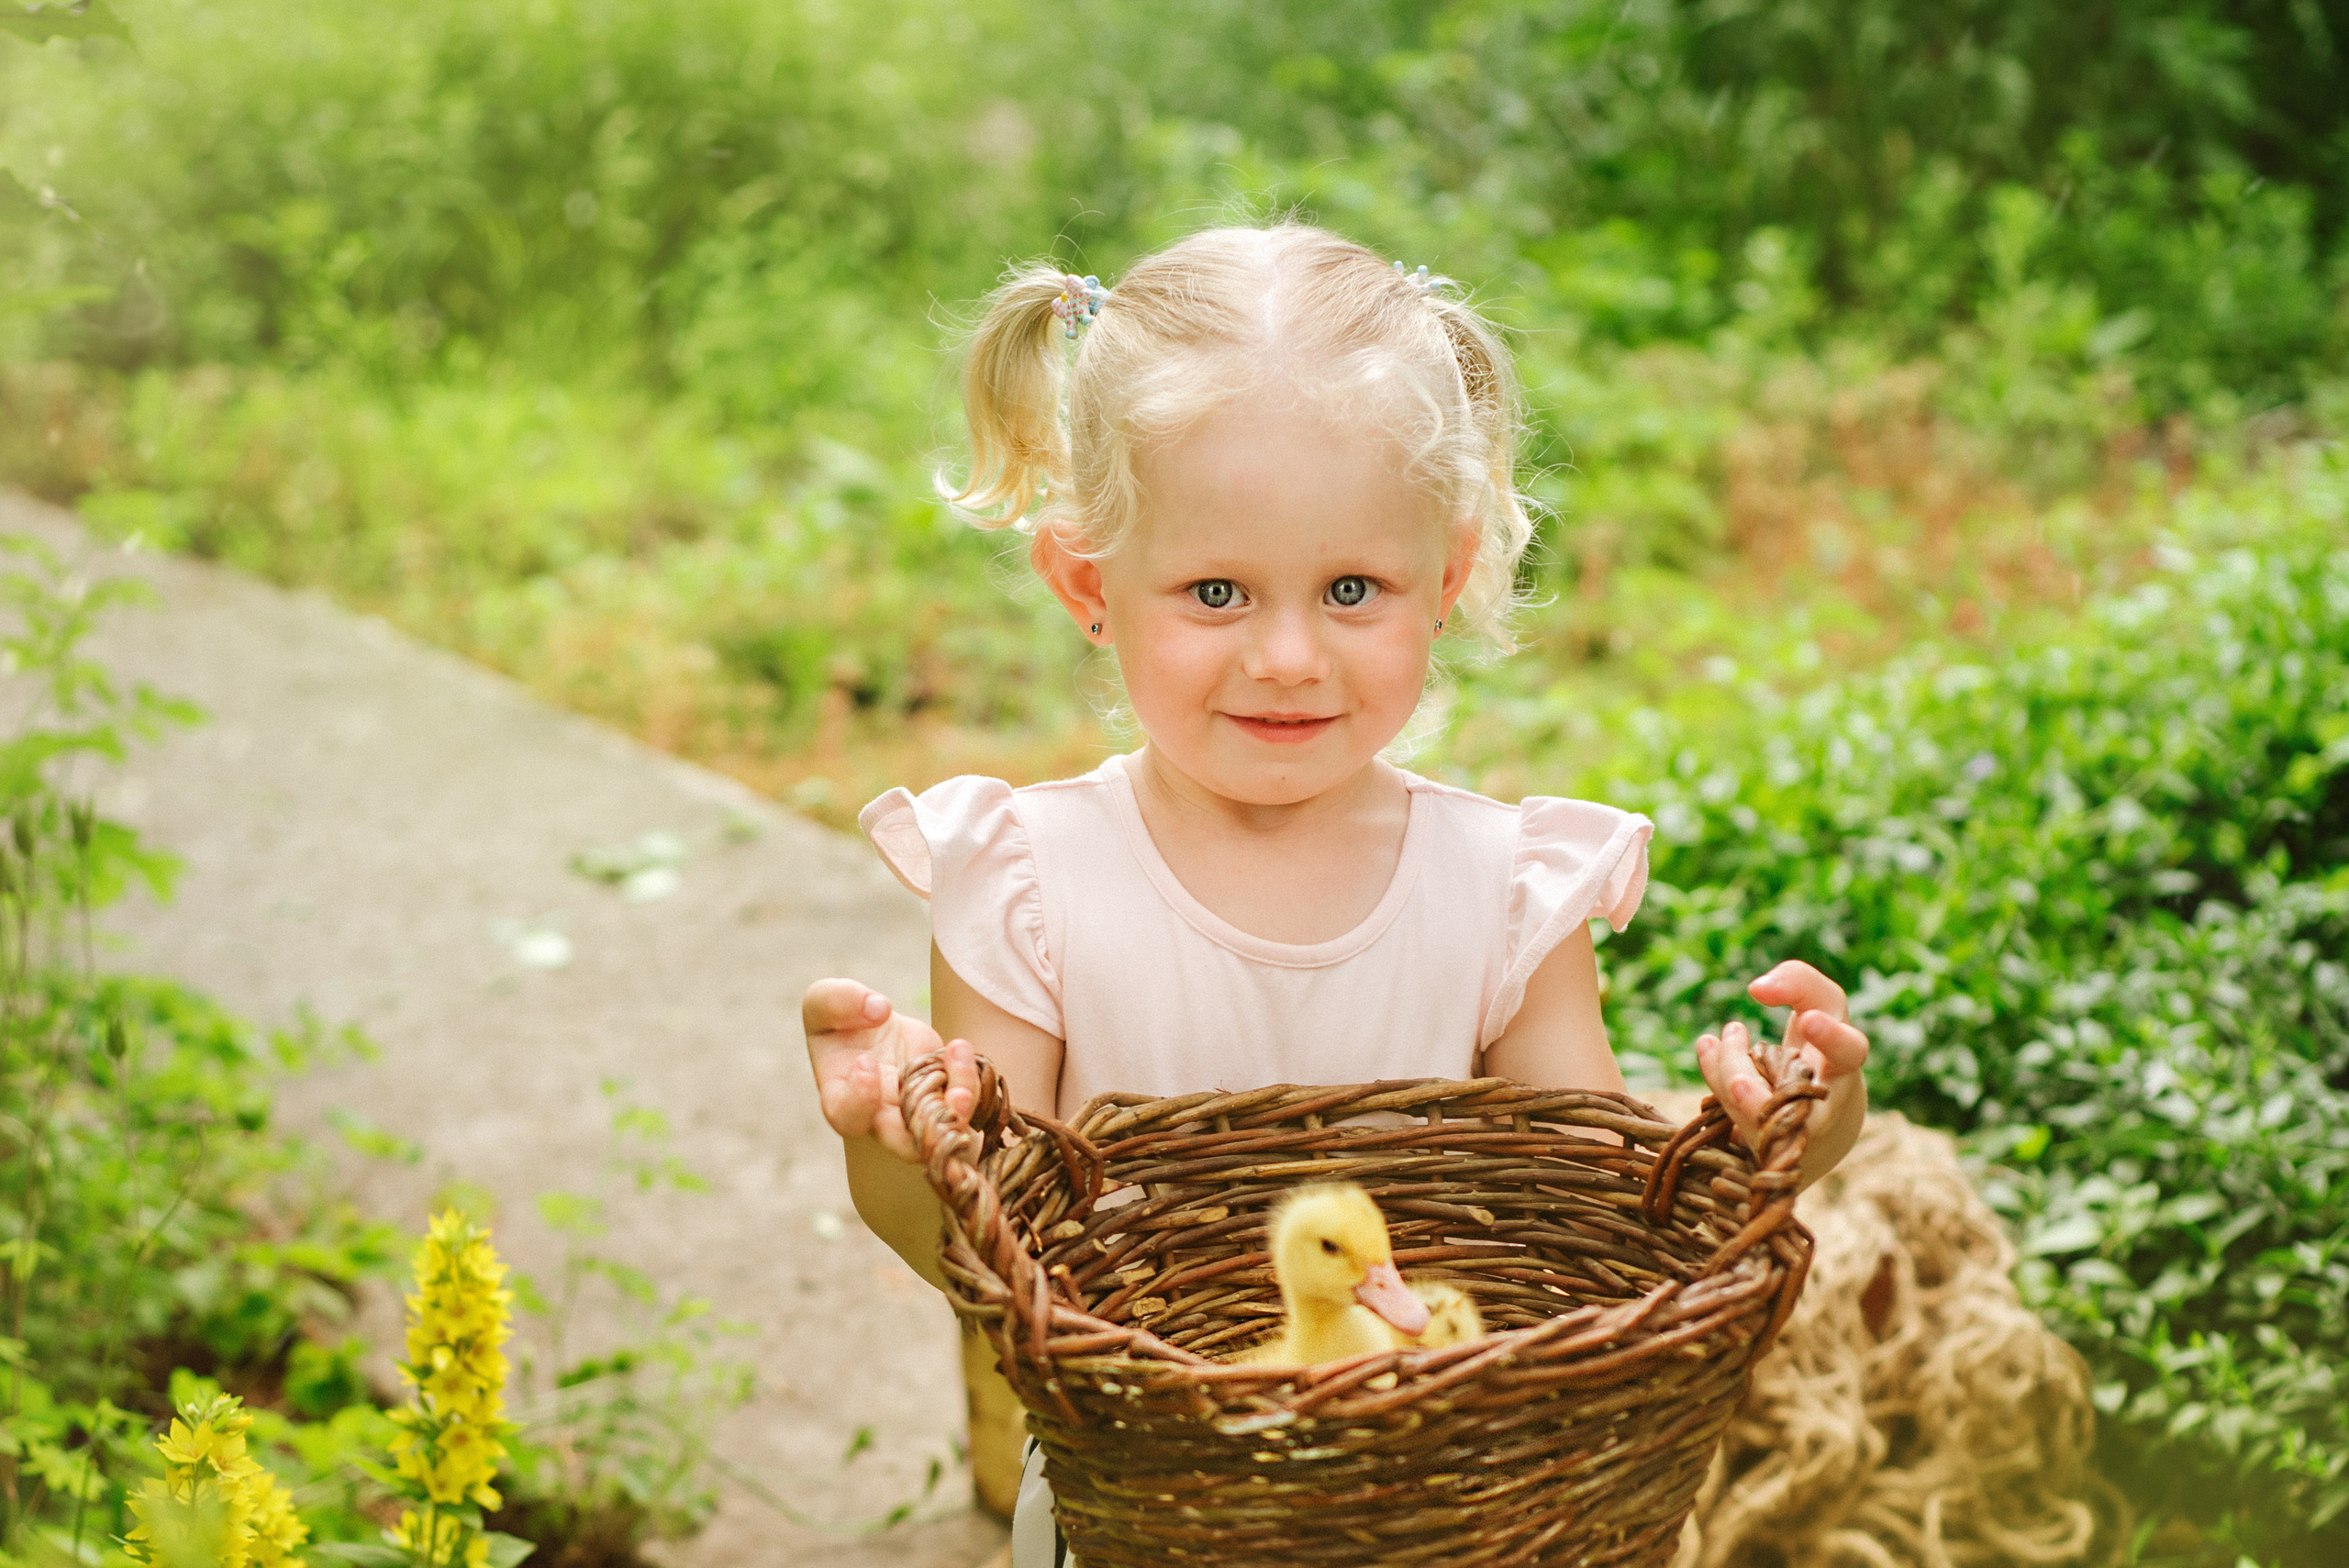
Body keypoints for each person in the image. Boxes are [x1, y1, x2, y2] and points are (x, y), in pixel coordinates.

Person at [800, 221, 1870, 1566]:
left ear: (1448, 580)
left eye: (1352, 588)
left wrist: (1792, 1137)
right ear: (1088, 584)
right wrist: (887, 1141)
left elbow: (1609, 1233)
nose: (1290, 655)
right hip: (1149, 1521)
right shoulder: (1029, 884)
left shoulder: (1505, 896)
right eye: (1217, 591)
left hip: (1459, 1513)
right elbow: (982, 1257)